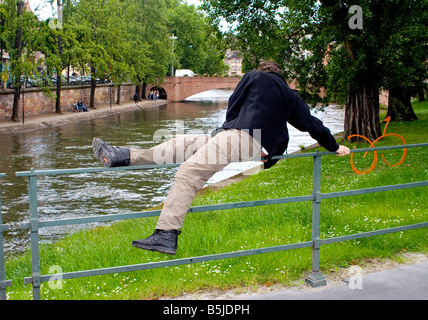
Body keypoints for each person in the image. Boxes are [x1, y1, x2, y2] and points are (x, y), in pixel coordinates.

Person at [92, 60, 350, 255]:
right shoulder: (290, 95)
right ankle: (122, 156)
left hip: (238, 136)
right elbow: (312, 125)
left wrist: (223, 131)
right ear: (281, 75)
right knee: (180, 144)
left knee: (189, 172)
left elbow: (234, 106)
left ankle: (166, 233)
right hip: (251, 145)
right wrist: (334, 146)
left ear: (263, 70)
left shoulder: (254, 77)